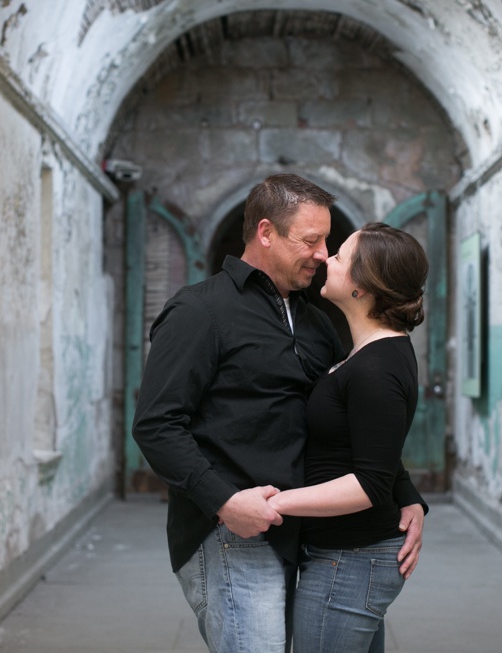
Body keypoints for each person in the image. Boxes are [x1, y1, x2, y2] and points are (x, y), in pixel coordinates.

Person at [132, 174, 426, 653]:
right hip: (229, 533)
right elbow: (155, 425)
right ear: (266, 233)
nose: (321, 253)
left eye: (327, 241)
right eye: (310, 240)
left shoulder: (315, 323)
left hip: (298, 533)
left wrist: (406, 492)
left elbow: (354, 423)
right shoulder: (199, 312)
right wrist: (226, 502)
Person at [266, 222, 430, 653]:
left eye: (339, 256)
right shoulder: (369, 354)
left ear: (362, 286)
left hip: (351, 559)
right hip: (347, 555)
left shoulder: (377, 367)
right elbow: (372, 445)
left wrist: (273, 503)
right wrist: (410, 492)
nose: (325, 258)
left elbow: (368, 483)